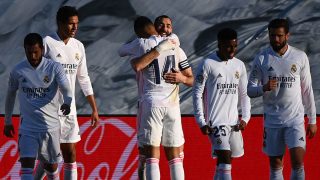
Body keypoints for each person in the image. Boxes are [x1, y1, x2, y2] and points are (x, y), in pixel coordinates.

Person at [119, 16, 193, 179]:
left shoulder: (140, 44)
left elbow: (121, 51)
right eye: (162, 25)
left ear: (139, 33)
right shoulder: (176, 46)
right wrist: (183, 78)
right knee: (175, 157)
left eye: (168, 26)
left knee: (150, 155)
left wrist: (182, 78)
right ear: (154, 26)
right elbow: (192, 79)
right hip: (172, 105)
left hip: (151, 103)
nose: (166, 29)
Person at [34, 6, 100, 180]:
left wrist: (94, 108)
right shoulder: (47, 43)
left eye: (77, 24)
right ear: (60, 23)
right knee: (51, 158)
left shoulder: (78, 46)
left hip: (68, 109)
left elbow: (84, 78)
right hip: (49, 109)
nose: (75, 28)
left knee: (70, 154)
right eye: (71, 24)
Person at [247, 18, 317, 180]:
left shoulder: (299, 57)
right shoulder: (262, 58)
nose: (276, 39)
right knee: (276, 166)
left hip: (295, 120)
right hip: (272, 121)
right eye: (272, 36)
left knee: (298, 163)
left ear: (287, 36)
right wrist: (263, 88)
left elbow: (307, 90)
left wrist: (312, 120)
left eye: (279, 36)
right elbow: (250, 90)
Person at [3, 33, 72, 180]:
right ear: (25, 50)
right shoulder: (18, 70)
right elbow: (10, 95)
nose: (33, 56)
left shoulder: (54, 68)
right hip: (28, 127)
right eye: (29, 52)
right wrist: (7, 121)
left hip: (50, 127)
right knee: (27, 166)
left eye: (36, 52)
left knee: (51, 167)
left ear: (41, 49)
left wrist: (67, 102)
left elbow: (66, 88)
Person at [193, 28, 251, 180]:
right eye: (228, 46)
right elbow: (197, 93)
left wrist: (245, 117)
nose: (232, 50)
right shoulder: (208, 64)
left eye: (235, 46)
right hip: (215, 123)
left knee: (226, 162)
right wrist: (201, 121)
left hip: (234, 123)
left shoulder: (239, 65)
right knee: (225, 159)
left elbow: (245, 94)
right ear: (219, 45)